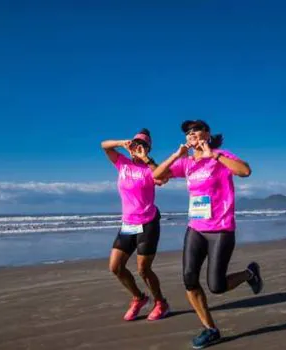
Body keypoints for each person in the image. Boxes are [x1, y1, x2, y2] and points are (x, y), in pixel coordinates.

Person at [153, 120, 263, 349]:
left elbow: (245, 171)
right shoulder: (187, 163)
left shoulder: (220, 156)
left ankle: (249, 274)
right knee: (189, 278)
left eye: (197, 130)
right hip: (196, 229)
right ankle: (210, 329)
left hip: (221, 229)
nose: (192, 134)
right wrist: (177, 155)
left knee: (217, 286)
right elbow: (157, 175)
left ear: (207, 134)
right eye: (188, 132)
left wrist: (213, 155)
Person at [101, 128, 170, 322]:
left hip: (148, 222)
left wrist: (147, 159)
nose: (137, 147)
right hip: (128, 224)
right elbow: (104, 145)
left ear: (148, 148)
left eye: (143, 145)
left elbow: (163, 178)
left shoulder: (150, 168)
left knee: (143, 269)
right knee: (115, 267)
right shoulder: (122, 163)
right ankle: (139, 298)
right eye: (135, 144)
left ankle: (160, 302)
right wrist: (122, 143)